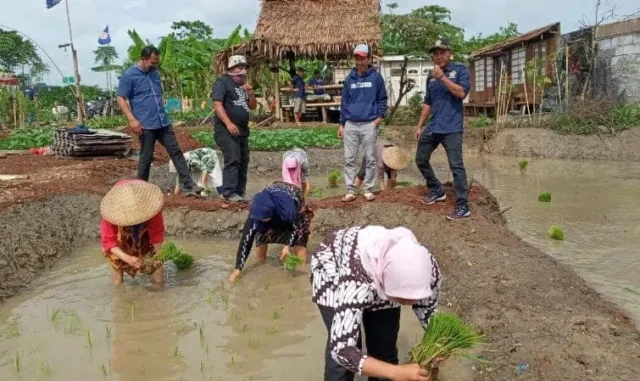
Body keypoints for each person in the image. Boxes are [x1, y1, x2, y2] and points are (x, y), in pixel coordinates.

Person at [312, 226, 441, 381]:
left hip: (383, 278)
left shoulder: (426, 268)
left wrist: (438, 343)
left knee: (384, 350)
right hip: (333, 274)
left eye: (413, 297)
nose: (408, 303)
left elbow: (427, 309)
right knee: (346, 357)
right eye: (403, 298)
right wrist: (396, 372)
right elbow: (342, 350)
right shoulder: (356, 281)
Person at [117, 46, 203, 196]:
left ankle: (188, 184)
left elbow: (158, 95)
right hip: (145, 124)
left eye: (157, 62)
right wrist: (132, 120)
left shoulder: (155, 74)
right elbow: (120, 97)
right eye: (152, 62)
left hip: (163, 122)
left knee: (176, 152)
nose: (155, 65)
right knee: (146, 156)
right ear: (143, 59)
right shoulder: (129, 76)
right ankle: (141, 189)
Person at [414, 39, 471, 220]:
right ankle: (437, 190)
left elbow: (462, 93)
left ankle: (463, 205)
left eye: (442, 53)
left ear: (449, 53)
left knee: (456, 166)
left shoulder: (460, 70)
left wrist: (443, 78)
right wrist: (420, 125)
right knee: (421, 159)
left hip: (452, 127)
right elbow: (428, 102)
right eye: (435, 53)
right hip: (434, 125)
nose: (438, 56)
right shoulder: (431, 77)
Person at [229, 182, 313, 283]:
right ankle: (261, 262)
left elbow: (294, 227)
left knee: (300, 238)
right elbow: (246, 240)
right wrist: (238, 268)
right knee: (261, 235)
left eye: (266, 219)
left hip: (292, 201)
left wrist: (287, 246)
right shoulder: (256, 212)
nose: (264, 221)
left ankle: (300, 274)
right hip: (270, 200)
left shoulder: (288, 209)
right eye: (262, 220)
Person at [338, 44, 387, 203]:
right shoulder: (349, 78)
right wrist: (341, 123)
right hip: (351, 123)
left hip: (369, 123)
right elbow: (344, 102)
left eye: (362, 58)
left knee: (370, 158)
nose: (359, 61)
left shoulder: (376, 78)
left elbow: (382, 99)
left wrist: (378, 118)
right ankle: (351, 190)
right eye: (357, 58)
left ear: (369, 59)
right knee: (349, 158)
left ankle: (368, 189)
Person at [100, 179, 166, 285]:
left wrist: (158, 257)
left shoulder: (150, 206)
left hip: (144, 233)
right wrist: (127, 258)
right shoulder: (112, 211)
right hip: (121, 239)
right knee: (117, 280)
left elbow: (157, 235)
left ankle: (160, 296)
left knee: (157, 269)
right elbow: (108, 242)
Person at [212, 55, 258, 203]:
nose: (243, 71)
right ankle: (229, 193)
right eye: (239, 68)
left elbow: (253, 106)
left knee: (244, 160)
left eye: (244, 68)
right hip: (226, 130)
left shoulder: (243, 85)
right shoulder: (222, 83)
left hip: (242, 131)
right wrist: (229, 123)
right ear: (231, 68)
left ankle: (240, 192)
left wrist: (251, 93)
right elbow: (217, 105)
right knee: (233, 159)